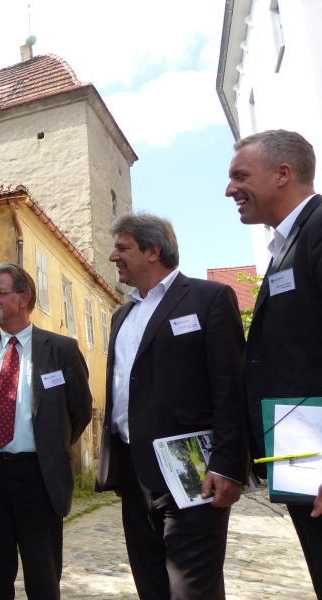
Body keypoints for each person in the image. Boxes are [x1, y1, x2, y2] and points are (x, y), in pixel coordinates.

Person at [95, 213, 246, 599]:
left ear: (153, 251)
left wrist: (228, 466)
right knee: (151, 583)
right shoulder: (121, 315)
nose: (113, 256)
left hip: (193, 466)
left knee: (192, 587)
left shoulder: (208, 298)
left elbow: (230, 387)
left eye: (122, 247)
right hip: (134, 470)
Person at [225, 129, 322, 597]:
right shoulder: (288, 243)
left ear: (283, 173)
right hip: (303, 460)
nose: (229, 190)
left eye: (240, 176)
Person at [0, 263, 92, 600]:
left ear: (23, 298)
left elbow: (79, 411)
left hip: (39, 476)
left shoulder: (60, 349)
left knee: (43, 574)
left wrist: (49, 445)